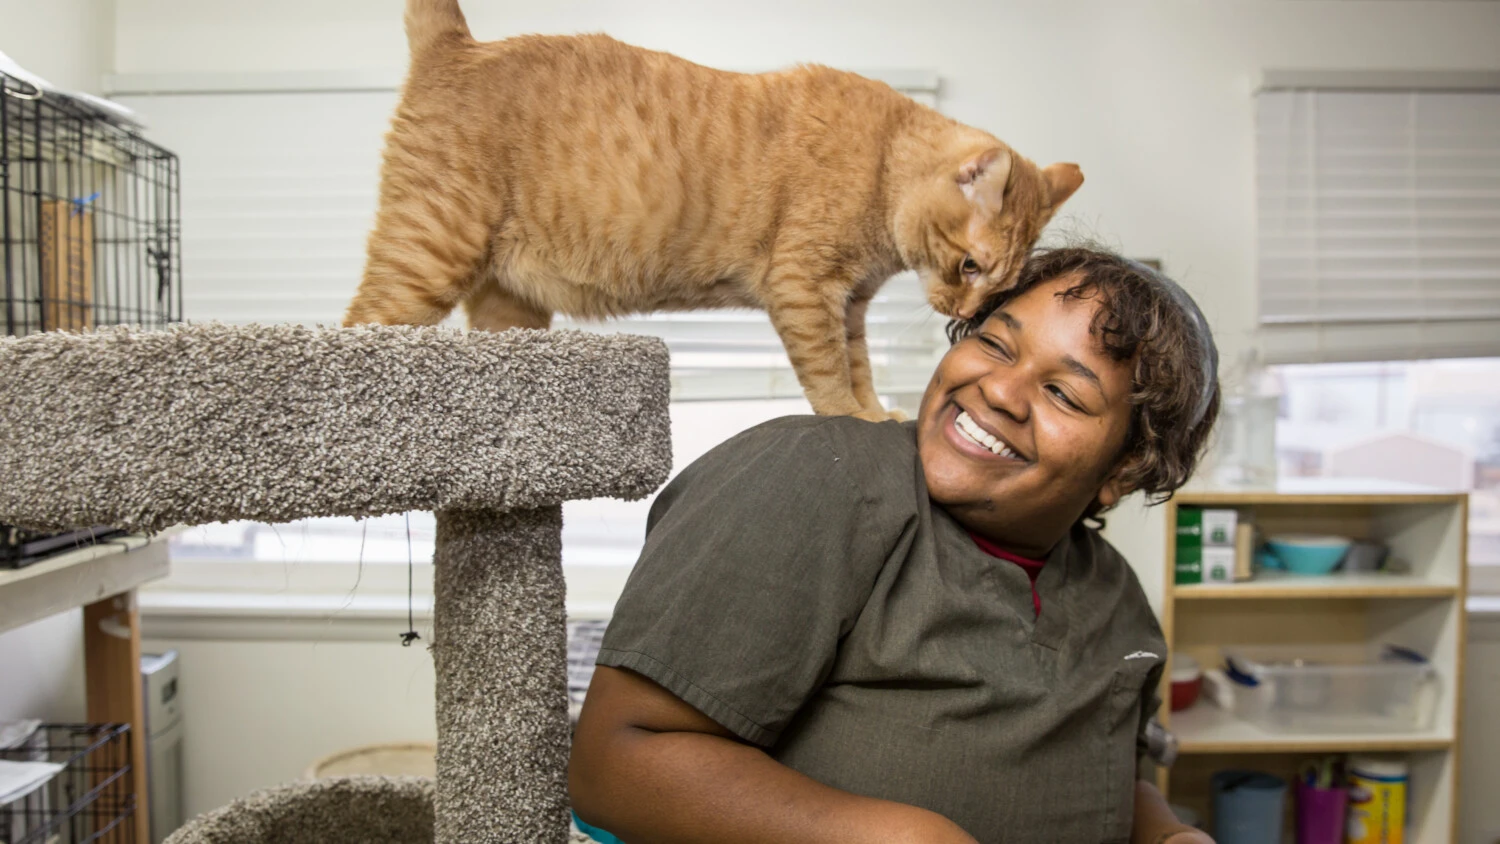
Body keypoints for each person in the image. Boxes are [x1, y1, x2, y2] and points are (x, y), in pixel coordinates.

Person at [569, 247, 1220, 844]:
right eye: (995, 343)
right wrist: (898, 838)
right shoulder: (817, 473)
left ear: (1123, 472)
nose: (999, 390)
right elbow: (613, 763)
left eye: (1061, 393)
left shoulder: (1118, 598)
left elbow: (1107, 769)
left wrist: (1167, 834)